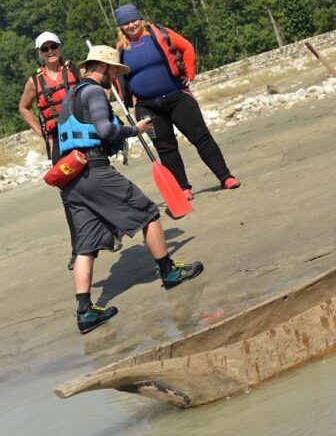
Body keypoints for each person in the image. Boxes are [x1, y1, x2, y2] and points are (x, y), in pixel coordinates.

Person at [57, 45, 205, 334]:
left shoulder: (70, 97)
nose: (115, 79)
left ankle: (85, 312)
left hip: (72, 180)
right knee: (148, 213)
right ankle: (169, 271)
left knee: (85, 245)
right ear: (103, 68)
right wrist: (133, 130)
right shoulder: (94, 92)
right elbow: (105, 130)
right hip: (95, 170)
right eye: (114, 72)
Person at [114, 4, 240, 200]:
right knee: (166, 148)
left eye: (133, 20)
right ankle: (183, 189)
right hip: (147, 106)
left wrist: (190, 73)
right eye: (126, 23)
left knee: (201, 138)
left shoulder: (159, 33)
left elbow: (187, 48)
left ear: (140, 18)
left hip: (178, 97)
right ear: (120, 27)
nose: (131, 25)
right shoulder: (120, 49)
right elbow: (114, 78)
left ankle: (225, 177)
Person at [18, 32, 86, 271]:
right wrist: (39, 130)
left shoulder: (76, 71)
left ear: (60, 47)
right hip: (58, 141)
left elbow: (95, 89)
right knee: (68, 194)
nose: (50, 51)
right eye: (44, 49)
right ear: (39, 53)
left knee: (96, 181)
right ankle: (77, 248)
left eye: (53, 46)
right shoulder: (34, 81)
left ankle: (111, 231)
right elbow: (23, 108)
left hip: (82, 134)